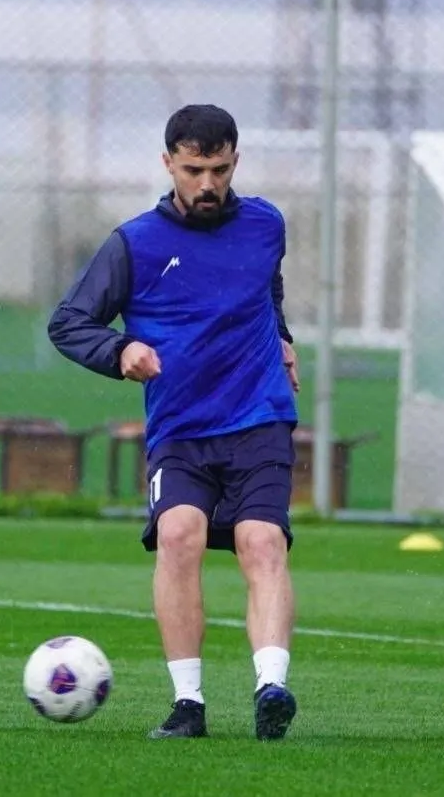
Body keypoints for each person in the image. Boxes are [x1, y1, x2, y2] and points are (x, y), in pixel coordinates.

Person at [48, 104, 301, 741]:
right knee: (179, 535)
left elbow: (266, 288)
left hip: (259, 415)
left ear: (236, 161)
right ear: (168, 164)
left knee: (262, 541)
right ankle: (188, 704)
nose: (207, 184)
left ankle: (271, 689)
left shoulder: (267, 223)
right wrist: (119, 351)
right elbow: (68, 322)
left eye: (219, 169)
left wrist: (283, 337)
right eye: (193, 170)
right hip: (181, 427)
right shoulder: (134, 243)